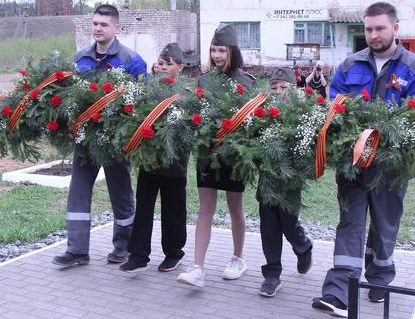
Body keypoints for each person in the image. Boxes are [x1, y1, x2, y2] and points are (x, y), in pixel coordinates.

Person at [312, 2, 415, 317]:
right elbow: (333, 106)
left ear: (395, 28)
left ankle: (379, 278)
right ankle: (338, 292)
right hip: (353, 164)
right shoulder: (350, 65)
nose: (373, 34)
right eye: (368, 29)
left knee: (384, 224)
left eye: (380, 28)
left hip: (391, 167)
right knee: (349, 223)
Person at [52, 4, 148, 268]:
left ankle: (123, 246)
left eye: (103, 24)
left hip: (115, 141)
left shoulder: (131, 61)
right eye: (94, 23)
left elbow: (141, 103)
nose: (97, 28)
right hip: (85, 141)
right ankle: (77, 251)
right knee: (78, 191)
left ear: (116, 28)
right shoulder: (80, 58)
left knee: (121, 193)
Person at [176, 24, 256, 287]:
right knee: (205, 210)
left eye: (222, 50)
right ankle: (197, 267)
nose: (217, 55)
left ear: (232, 51)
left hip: (233, 156)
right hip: (208, 154)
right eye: (213, 50)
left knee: (235, 210)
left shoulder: (247, 83)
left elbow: (251, 122)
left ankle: (238, 258)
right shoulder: (204, 80)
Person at [120, 43, 188, 273]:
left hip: (174, 164)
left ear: (180, 67)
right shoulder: (147, 92)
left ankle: (174, 253)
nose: (164, 68)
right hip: (148, 162)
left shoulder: (186, 96)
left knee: (173, 209)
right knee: (144, 207)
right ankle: (138, 255)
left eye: (169, 64)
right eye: (161, 63)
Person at [257, 67, 314, 298]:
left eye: (284, 88)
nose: (279, 92)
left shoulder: (303, 113)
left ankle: (303, 246)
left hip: (291, 179)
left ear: (294, 89)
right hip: (267, 177)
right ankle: (272, 274)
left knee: (288, 223)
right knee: (268, 225)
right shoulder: (262, 111)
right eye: (275, 88)